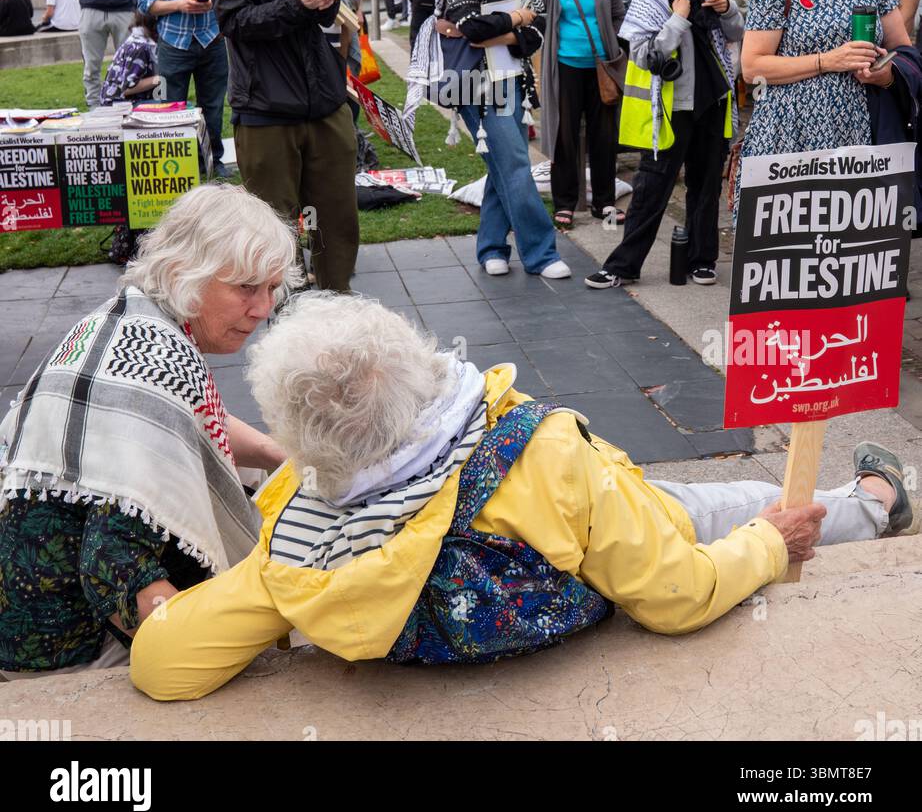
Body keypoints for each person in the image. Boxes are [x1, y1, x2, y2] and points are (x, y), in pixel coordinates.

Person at [129, 292, 912, 701]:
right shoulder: (538, 454)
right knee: (738, 505)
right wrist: (772, 545)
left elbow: (162, 664)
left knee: (725, 502)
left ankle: (860, 501)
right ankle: (873, 502)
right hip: (627, 533)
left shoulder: (304, 532)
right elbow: (677, 596)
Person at [0, 183, 298, 678]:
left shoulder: (132, 317)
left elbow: (191, 415)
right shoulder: (160, 356)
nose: (263, 309)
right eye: (246, 287)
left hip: (25, 603)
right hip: (64, 651)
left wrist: (278, 453)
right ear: (185, 273)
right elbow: (111, 569)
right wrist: (213, 648)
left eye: (272, 288)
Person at [204, 0, 358, 292]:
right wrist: (297, 1)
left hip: (324, 99)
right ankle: (282, 321)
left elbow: (321, 10)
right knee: (273, 233)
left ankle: (336, 307)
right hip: (266, 108)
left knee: (337, 221)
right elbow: (234, 21)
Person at [585, 0, 742, 290]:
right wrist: (677, 19)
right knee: (651, 187)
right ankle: (623, 266)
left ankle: (702, 260)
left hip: (714, 100)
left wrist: (729, 9)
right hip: (671, 108)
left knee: (705, 187)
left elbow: (736, 33)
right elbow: (641, 53)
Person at [738, 0, 910, 206]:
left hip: (858, 131)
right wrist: (827, 61)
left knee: (850, 242)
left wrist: (883, 74)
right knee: (791, 245)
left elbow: (902, 51)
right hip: (788, 135)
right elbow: (752, 68)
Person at [438, 0, 569, 278]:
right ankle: (542, 254)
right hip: (477, 84)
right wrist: (515, 18)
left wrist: (509, 32)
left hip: (514, 79)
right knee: (514, 162)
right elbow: (469, 26)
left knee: (503, 163)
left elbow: (539, 25)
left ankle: (492, 246)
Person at [535, 0, 625, 228]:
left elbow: (617, 12)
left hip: (602, 69)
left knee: (604, 136)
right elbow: (533, 14)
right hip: (565, 68)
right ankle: (565, 202)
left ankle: (604, 202)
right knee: (565, 135)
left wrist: (609, 41)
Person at [137, 0, 229, 175]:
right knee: (170, 106)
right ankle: (175, 165)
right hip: (174, 42)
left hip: (210, 38)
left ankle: (212, 160)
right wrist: (180, 5)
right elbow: (144, 4)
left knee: (212, 106)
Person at [99, 10, 160, 105]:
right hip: (119, 106)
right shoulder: (139, 47)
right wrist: (160, 79)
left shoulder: (139, 40)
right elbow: (127, 88)